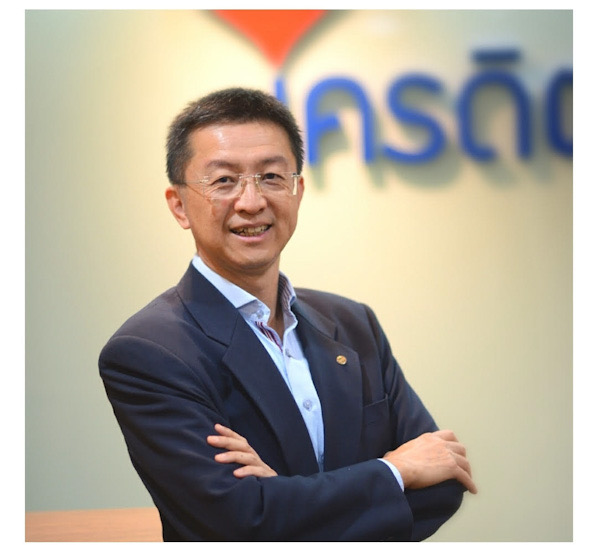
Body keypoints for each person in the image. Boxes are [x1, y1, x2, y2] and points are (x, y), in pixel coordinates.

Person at [99, 87, 476, 541]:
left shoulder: (354, 325)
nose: (251, 201)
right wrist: (394, 471)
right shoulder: (150, 352)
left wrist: (282, 495)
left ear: (298, 190)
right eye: (224, 180)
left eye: (271, 177)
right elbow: (237, 521)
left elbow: (442, 485)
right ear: (179, 205)